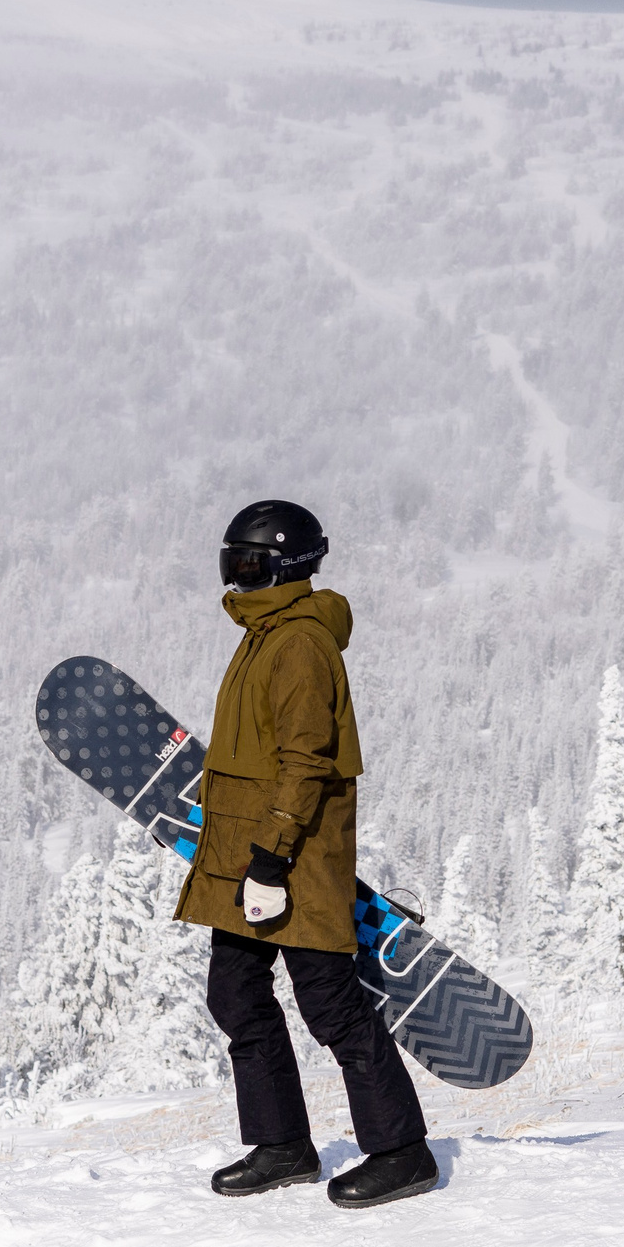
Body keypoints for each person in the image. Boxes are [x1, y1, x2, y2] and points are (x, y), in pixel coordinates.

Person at [174, 499, 438, 1210]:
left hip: (293, 855)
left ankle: (402, 1151)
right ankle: (283, 1143)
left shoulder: (298, 643)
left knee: (332, 1007)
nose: (237, 576)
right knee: (235, 994)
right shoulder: (265, 630)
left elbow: (305, 761)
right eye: (232, 561)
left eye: (251, 563)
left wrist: (271, 860)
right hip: (248, 852)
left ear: (285, 567)